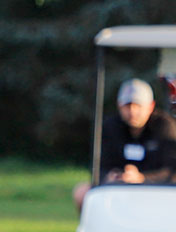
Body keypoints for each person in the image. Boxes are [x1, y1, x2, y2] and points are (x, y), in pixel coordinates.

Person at [73, 78, 176, 209]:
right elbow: (99, 166)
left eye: (138, 106)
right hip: (117, 188)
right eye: (128, 106)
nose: (132, 112)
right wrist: (109, 176)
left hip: (155, 189)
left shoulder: (165, 127)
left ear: (151, 106)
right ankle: (92, 228)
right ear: (119, 106)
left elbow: (171, 171)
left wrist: (141, 178)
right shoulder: (110, 127)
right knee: (82, 192)